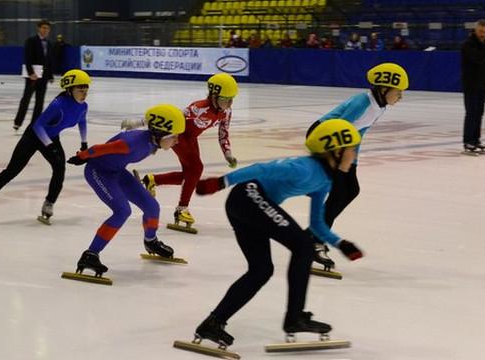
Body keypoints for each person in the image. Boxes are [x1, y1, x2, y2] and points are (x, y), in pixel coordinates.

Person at [190, 119, 364, 348]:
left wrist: (341, 243)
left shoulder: (325, 181)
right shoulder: (304, 168)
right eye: (352, 149)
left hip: (247, 205)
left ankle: (213, 323)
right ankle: (295, 318)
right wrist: (221, 182)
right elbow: (261, 168)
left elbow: (317, 224)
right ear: (335, 150)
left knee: (261, 270)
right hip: (249, 196)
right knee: (302, 246)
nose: (354, 155)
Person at [306, 63, 408, 270]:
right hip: (325, 139)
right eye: (398, 92)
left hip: (342, 145)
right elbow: (338, 129)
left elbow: (356, 133)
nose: (401, 97)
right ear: (384, 88)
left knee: (350, 190)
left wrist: (353, 160)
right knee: (341, 192)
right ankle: (313, 241)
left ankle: (311, 237)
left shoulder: (379, 105)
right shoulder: (364, 102)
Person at [65, 104, 186, 276]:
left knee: (152, 206)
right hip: (98, 172)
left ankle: (151, 241)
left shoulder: (152, 141)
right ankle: (90, 255)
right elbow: (101, 149)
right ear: (161, 133)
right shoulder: (131, 144)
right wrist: (82, 156)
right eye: (174, 137)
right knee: (122, 211)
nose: (177, 141)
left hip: (117, 172)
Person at [0, 69, 91, 223]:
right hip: (33, 136)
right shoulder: (58, 105)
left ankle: (49, 204)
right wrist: (50, 146)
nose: (84, 92)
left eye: (86, 88)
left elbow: (82, 121)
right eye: (80, 88)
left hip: (51, 137)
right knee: (12, 171)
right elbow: (38, 126)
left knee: (60, 169)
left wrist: (84, 144)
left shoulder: (83, 106)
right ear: (69, 89)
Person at [121, 73, 239, 232]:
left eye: (232, 98)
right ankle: (182, 209)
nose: (230, 103)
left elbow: (223, 133)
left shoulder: (227, 112)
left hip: (191, 138)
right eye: (226, 99)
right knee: (196, 169)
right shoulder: (199, 107)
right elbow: (170, 116)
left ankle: (152, 180)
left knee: (192, 175)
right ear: (214, 96)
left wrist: (228, 153)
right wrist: (140, 122)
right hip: (178, 135)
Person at [13, 20, 55, 131]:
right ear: (39, 28)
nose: (45, 30)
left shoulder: (49, 43)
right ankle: (18, 122)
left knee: (40, 101)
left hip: (43, 76)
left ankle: (34, 124)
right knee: (26, 99)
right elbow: (28, 58)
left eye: (47, 28)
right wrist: (31, 73)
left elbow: (49, 61)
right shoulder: (31, 41)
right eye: (43, 28)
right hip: (32, 76)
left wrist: (50, 75)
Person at [461, 19, 485, 153]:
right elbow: (478, 59)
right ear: (476, 30)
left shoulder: (484, 45)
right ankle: (468, 141)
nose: (483, 34)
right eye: (481, 31)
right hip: (470, 84)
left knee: (479, 113)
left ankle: (476, 139)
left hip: (482, 84)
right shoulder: (468, 45)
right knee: (471, 112)